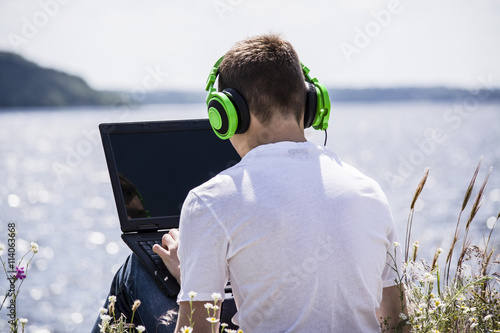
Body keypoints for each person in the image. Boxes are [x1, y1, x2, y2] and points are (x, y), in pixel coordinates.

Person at [93, 34, 408, 332]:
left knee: (134, 273)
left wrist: (193, 277)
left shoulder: (210, 200)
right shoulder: (370, 191)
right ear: (310, 104)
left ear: (225, 114)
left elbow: (199, 329)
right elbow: (395, 321)